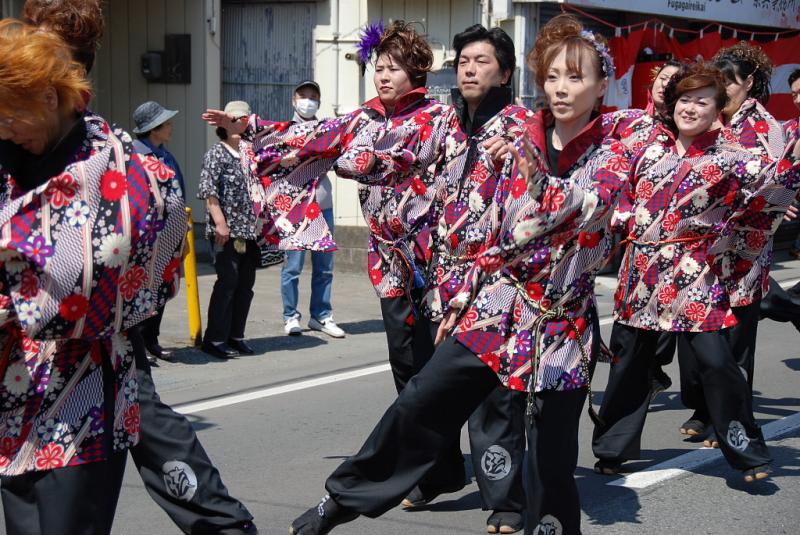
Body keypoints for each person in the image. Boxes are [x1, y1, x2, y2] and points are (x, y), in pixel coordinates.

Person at [287, 14, 636, 535]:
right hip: (497, 304)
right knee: (422, 401)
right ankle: (341, 500)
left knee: (550, 461)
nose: (562, 89)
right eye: (554, 77)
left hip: (562, 325)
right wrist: (458, 302)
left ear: (602, 84)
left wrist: (538, 177)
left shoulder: (616, 144)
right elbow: (485, 230)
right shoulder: (519, 135)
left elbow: (590, 203)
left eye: (577, 77)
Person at [18, 2, 259, 532]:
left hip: (88, 379)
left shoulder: (131, 169)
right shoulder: (16, 151)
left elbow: (152, 283)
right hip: (23, 390)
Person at [0, 18, 186, 533]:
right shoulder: (6, 160)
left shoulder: (119, 164)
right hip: (13, 400)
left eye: (13, 115)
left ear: (51, 95)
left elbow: (154, 262)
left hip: (85, 398)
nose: (6, 130)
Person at [592, 60, 800, 482]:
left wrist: (789, 173)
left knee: (717, 362)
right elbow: (604, 182)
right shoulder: (642, 146)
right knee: (629, 363)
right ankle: (612, 447)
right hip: (642, 273)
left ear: (717, 109)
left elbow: (768, 194)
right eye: (685, 99)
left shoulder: (732, 157)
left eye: (702, 101)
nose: (691, 108)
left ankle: (747, 451)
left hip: (694, 276)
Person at [676, 43, 786, 443]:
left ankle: (733, 424)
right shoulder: (707, 120)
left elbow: (777, 184)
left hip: (745, 251)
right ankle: (704, 410)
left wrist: (780, 204)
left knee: (735, 344)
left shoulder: (766, 128)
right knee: (700, 342)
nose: (722, 89)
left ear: (750, 83)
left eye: (730, 82)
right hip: (701, 252)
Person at [280, 81, 344, 338]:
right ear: (294, 100)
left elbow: (336, 159)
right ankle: (290, 316)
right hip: (295, 208)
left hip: (322, 204)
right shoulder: (283, 131)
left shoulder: (326, 129)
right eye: (303, 96)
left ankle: (321, 315)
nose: (308, 101)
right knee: (293, 266)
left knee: (324, 265)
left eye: (313, 97)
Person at [199, 100, 260, 359]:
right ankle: (214, 339)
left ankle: (236, 336)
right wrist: (220, 222)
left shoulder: (251, 150)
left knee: (246, 284)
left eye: (243, 118)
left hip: (250, 230)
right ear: (224, 123)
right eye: (233, 118)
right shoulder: (217, 153)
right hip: (227, 229)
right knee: (228, 282)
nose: (239, 123)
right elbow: (209, 190)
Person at [132, 99, 186, 362]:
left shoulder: (166, 154)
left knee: (162, 288)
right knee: (142, 289)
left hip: (169, 236)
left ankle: (151, 340)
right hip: (147, 238)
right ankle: (137, 344)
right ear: (154, 128)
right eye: (167, 123)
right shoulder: (135, 156)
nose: (171, 127)